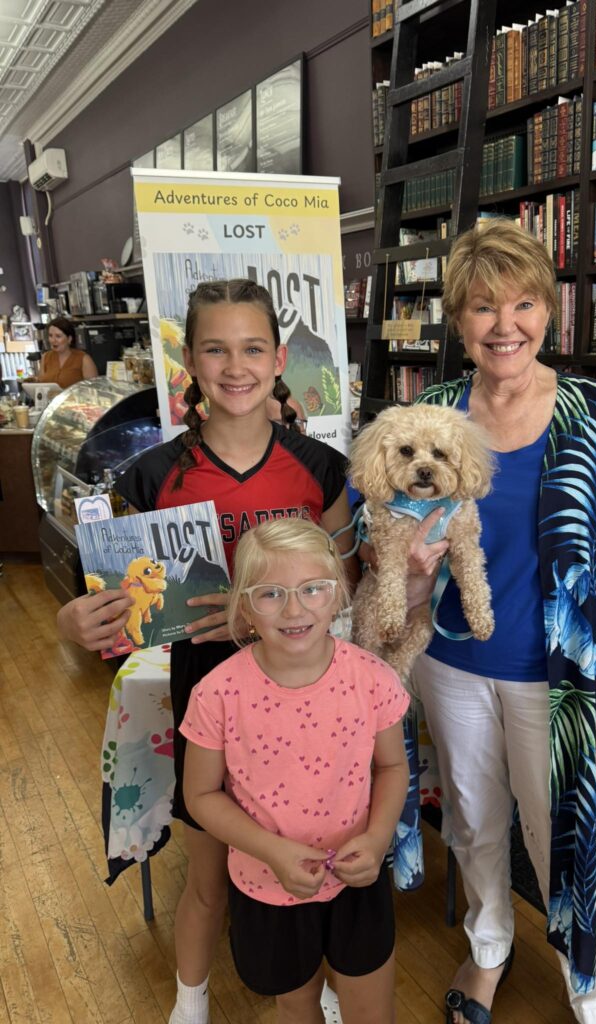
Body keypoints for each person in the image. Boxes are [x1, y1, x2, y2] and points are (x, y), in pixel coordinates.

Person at [56, 279, 357, 1024]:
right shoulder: (153, 475)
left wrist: (262, 610)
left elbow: (345, 582)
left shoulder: (322, 468)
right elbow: (108, 594)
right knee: (210, 875)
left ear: (278, 358)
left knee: (307, 858)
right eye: (215, 349)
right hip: (208, 701)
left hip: (306, 699)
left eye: (253, 348)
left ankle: (311, 985)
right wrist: (75, 622)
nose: (235, 366)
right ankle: (190, 998)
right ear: (189, 361)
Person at [399, 219, 596, 1024]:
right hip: (451, 665)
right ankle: (488, 947)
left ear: (548, 312)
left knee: (567, 844)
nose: (505, 325)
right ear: (458, 319)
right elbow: (392, 540)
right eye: (484, 307)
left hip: (564, 683)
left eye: (523, 304)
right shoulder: (432, 415)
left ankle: (594, 993)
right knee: (475, 822)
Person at [181, 517, 409, 1024]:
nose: (294, 609)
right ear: (244, 607)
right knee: (296, 1005)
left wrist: (377, 839)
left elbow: (393, 766)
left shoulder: (372, 678)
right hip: (266, 884)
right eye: (270, 594)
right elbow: (200, 796)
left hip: (358, 878)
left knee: (372, 1009)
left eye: (312, 588)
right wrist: (272, 851)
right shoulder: (217, 694)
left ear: (338, 593)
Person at [34, 317, 98, 386]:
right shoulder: (46, 357)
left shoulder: (84, 359)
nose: (53, 340)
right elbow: (41, 385)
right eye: (50, 336)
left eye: (58, 336)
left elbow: (93, 387)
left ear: (69, 339)